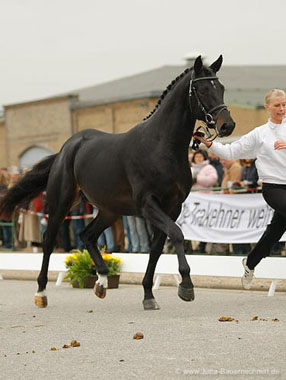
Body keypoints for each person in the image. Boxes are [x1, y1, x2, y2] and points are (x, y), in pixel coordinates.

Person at [194, 88, 286, 289]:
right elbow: (230, 151)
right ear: (268, 107)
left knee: (274, 233)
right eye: (277, 105)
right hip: (273, 187)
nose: (281, 108)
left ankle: (250, 263)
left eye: (284, 104)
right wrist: (209, 143)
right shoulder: (260, 134)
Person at [191, 149, 218, 253]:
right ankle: (194, 245)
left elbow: (212, 179)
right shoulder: (191, 169)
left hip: (206, 200)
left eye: (200, 157)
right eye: (196, 157)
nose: (198, 159)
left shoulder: (209, 168)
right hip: (193, 201)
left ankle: (203, 244)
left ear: (204, 158)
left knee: (204, 223)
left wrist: (197, 178)